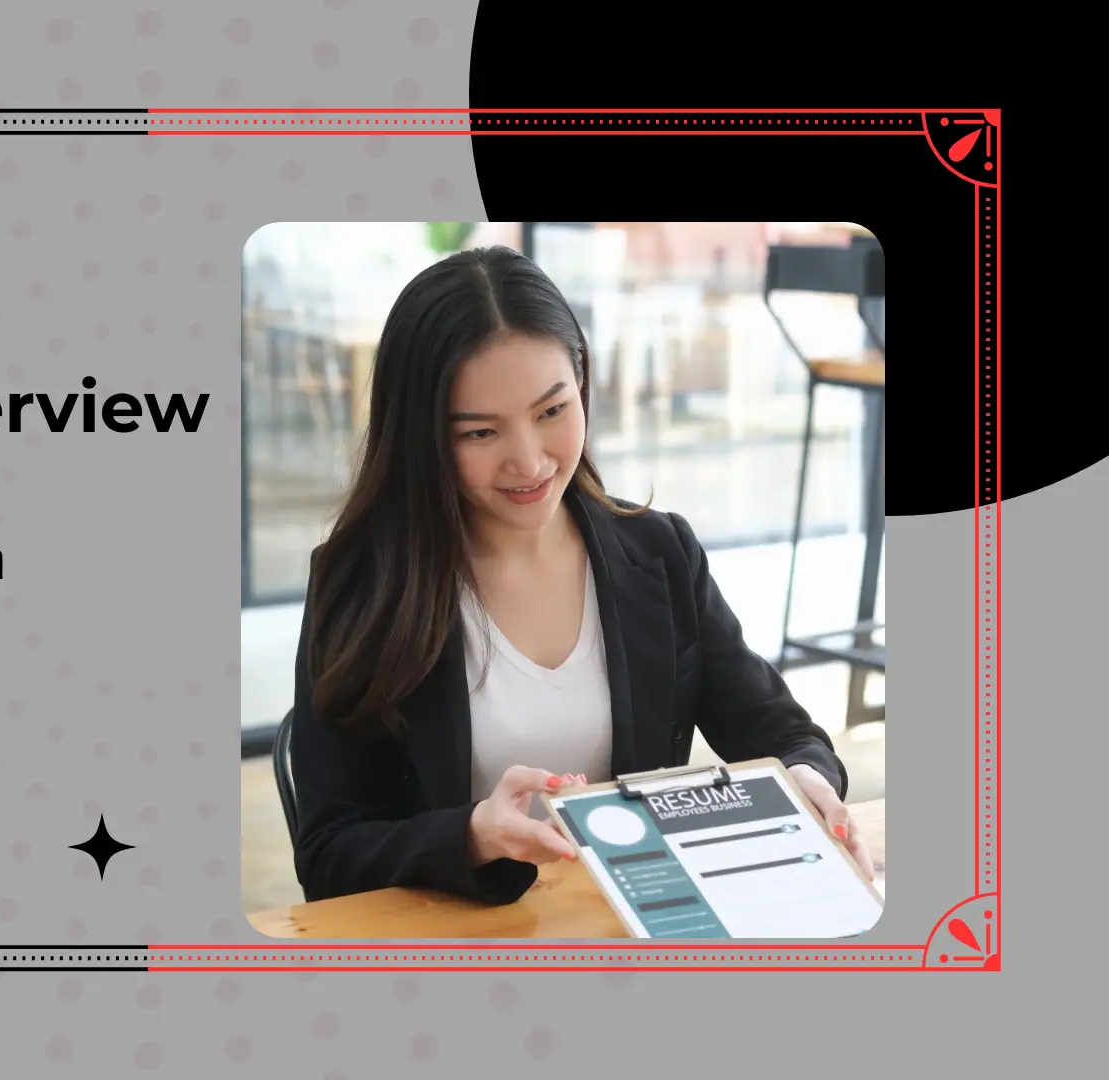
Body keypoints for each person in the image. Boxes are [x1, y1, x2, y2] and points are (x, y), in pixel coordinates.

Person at [288, 245, 874, 906]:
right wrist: (476, 834)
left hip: (630, 926)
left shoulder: (660, 553)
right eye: (480, 433)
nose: (530, 461)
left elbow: (782, 732)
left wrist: (807, 780)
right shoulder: (362, 582)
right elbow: (329, 856)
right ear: (422, 437)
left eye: (552, 411)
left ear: (582, 382)